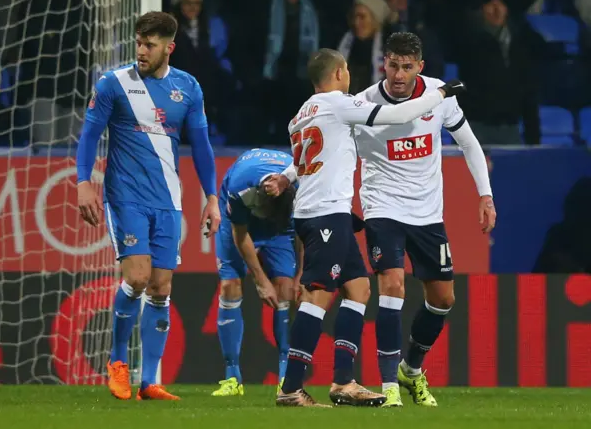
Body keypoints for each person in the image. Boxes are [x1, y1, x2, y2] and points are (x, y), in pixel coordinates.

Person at [266, 48, 465, 407]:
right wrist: (440, 94)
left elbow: (304, 160)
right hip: (325, 213)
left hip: (325, 210)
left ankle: (344, 382)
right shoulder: (339, 103)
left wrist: (283, 177)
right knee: (317, 295)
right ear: (340, 72)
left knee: (358, 289)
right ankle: (290, 388)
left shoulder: (301, 114)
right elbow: (399, 113)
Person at [76, 11, 220, 401]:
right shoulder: (113, 84)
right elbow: (89, 135)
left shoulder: (188, 88)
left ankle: (149, 381)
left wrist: (211, 197)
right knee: (137, 277)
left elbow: (203, 148)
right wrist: (83, 182)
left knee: (161, 287)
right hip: (126, 196)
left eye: (150, 45)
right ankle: (118, 363)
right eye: (138, 42)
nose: (141, 50)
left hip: (168, 200)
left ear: (169, 48)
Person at [352, 31, 495, 407]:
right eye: (393, 65)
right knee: (393, 284)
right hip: (382, 207)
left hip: (428, 213)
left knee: (443, 298)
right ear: (383, 63)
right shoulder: (364, 103)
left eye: (407, 67)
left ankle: (410, 370)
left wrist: (486, 195)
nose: (399, 75)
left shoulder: (439, 96)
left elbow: (468, 143)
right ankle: (388, 388)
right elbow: (329, 147)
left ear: (420, 67)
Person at [211, 148, 298, 397]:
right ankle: (231, 377)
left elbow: (304, 231)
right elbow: (241, 235)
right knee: (230, 286)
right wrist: (260, 280)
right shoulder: (241, 187)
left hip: (280, 228)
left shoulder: (302, 186)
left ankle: (286, 377)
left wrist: (301, 273)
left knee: (286, 288)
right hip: (239, 222)